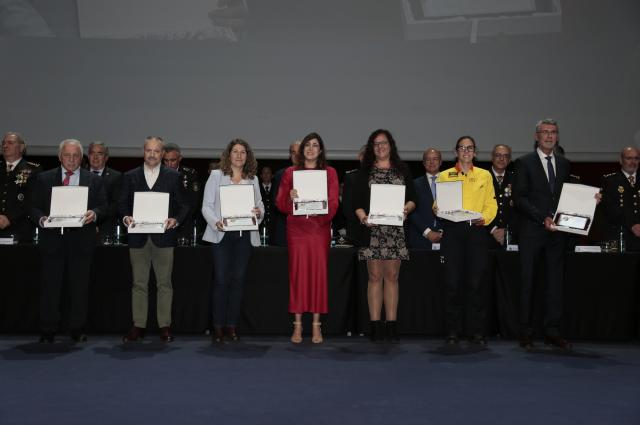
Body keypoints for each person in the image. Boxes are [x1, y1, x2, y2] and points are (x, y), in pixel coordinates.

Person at [29, 139, 107, 343]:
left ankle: (77, 329)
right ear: (59, 156)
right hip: (52, 240)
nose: (71, 160)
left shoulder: (94, 180)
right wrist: (41, 219)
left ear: (81, 158)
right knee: (50, 286)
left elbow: (104, 206)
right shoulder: (43, 179)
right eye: (67, 155)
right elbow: (33, 207)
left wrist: (95, 213)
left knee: (79, 287)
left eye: (75, 156)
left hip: (81, 241)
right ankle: (48, 329)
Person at [119, 136, 190, 343]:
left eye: (156, 151)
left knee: (164, 283)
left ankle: (164, 326)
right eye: (148, 150)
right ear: (144, 152)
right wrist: (126, 217)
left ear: (162, 154)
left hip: (164, 237)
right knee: (139, 283)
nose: (152, 154)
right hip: (137, 237)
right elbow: (122, 203)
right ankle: (138, 326)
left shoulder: (173, 177)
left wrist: (175, 220)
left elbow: (184, 205)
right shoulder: (130, 176)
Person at [514, 118, 572, 350]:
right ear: (536, 136)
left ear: (557, 137)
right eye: (545, 132)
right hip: (532, 232)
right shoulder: (524, 163)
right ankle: (526, 332)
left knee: (555, 284)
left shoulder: (565, 163)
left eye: (553, 132)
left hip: (558, 234)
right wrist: (542, 218)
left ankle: (552, 331)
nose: (549, 136)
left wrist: (590, 200)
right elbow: (520, 198)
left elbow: (569, 196)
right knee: (528, 282)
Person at [353, 129, 416, 342]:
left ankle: (391, 325)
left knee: (392, 277)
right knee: (374, 277)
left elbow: (412, 199)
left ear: (391, 145)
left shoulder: (403, 169)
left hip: (395, 230)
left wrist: (406, 210)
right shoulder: (365, 171)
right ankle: (375, 326)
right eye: (376, 144)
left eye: (384, 143)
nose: (380, 147)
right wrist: (363, 218)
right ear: (372, 148)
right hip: (372, 230)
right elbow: (356, 202)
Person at [276, 132, 339, 344]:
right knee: (298, 275)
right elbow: (280, 204)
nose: (311, 149)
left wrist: (319, 218)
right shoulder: (290, 173)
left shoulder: (329, 173)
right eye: (307, 146)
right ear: (302, 150)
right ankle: (297, 325)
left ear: (320, 150)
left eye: (315, 145)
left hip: (318, 229)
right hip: (297, 230)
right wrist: (289, 197)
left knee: (318, 276)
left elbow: (333, 203)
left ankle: (316, 325)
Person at [202, 139, 264, 343]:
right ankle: (218, 326)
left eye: (243, 152)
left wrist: (258, 212)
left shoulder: (252, 179)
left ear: (248, 156)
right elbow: (206, 206)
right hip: (222, 235)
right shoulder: (217, 175)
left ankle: (232, 326)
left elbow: (260, 206)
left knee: (238, 281)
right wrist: (215, 222)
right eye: (235, 151)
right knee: (221, 280)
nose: (239, 155)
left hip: (244, 236)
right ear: (228, 155)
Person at [437, 136, 497, 346]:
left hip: (476, 232)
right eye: (462, 148)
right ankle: (452, 331)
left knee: (476, 283)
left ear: (475, 152)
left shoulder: (484, 175)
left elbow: (491, 204)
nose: (466, 151)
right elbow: (437, 205)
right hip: (453, 232)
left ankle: (476, 332)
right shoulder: (445, 175)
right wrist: (438, 208)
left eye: (470, 148)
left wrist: (485, 218)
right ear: (455, 152)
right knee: (452, 283)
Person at [1, 131, 41, 242]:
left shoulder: (32, 170)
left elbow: (32, 200)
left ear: (22, 147)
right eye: (3, 143)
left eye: (10, 143)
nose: (5, 145)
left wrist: (10, 218)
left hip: (20, 229)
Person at [601, 147, 640, 252]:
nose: (633, 162)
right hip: (619, 236)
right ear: (621, 160)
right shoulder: (610, 181)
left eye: (636, 158)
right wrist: (632, 225)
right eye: (629, 158)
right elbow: (610, 209)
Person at [163, 143, 202, 242]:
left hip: (184, 223)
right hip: (162, 222)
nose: (169, 164)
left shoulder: (190, 174)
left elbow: (194, 202)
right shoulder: (158, 174)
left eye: (173, 160)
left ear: (180, 158)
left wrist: (179, 219)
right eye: (166, 160)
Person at [87, 141, 122, 243]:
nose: (95, 157)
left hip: (106, 229)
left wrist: (96, 220)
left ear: (106, 157)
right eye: (92, 153)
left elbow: (115, 205)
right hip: (82, 228)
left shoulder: (117, 177)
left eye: (100, 154)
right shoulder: (79, 175)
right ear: (88, 156)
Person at [408, 148, 442, 249]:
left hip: (446, 239)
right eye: (428, 159)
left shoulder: (450, 183)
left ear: (440, 162)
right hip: (420, 240)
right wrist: (428, 232)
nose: (431, 162)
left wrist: (441, 232)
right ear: (423, 163)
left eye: (435, 159)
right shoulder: (414, 184)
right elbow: (411, 212)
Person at [487, 144, 518, 249]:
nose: (501, 159)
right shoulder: (482, 178)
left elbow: (519, 208)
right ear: (492, 157)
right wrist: (493, 229)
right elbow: (477, 208)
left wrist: (506, 230)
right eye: (498, 155)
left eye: (505, 156)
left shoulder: (516, 179)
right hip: (486, 235)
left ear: (509, 160)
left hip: (509, 236)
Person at [271, 141, 301, 247]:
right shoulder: (280, 174)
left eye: (299, 152)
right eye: (293, 152)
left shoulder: (314, 174)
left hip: (306, 229)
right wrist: (287, 198)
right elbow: (275, 202)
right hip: (285, 229)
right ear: (290, 155)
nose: (296, 156)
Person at [342, 145, 366, 245]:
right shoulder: (351, 177)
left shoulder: (382, 178)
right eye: (366, 155)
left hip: (377, 230)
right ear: (360, 157)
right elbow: (347, 208)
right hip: (356, 231)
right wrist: (363, 220)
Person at [258, 165, 274, 243]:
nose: (266, 175)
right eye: (264, 173)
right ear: (261, 176)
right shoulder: (256, 189)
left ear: (272, 175)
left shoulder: (277, 188)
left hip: (274, 226)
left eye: (268, 173)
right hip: (260, 224)